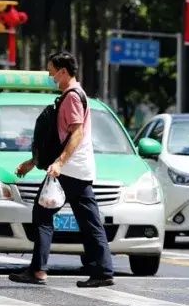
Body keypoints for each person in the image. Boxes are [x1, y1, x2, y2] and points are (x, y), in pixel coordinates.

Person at [10, 52, 115, 288]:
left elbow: (76, 133)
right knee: (88, 221)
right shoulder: (75, 95)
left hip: (69, 170)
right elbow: (58, 139)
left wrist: (59, 163)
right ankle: (102, 270)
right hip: (76, 169)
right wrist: (34, 162)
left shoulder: (72, 98)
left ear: (63, 71)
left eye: (52, 72)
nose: (51, 77)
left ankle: (38, 270)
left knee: (43, 215)